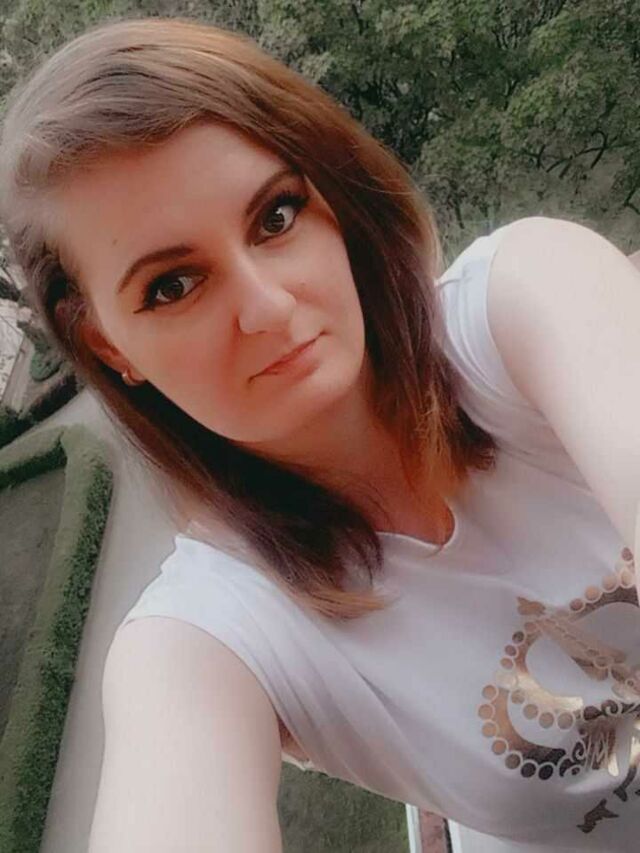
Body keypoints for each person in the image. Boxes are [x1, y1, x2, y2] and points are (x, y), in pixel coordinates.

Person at [0, 16, 638, 853]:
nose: (268, 307)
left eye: (276, 216)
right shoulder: (207, 635)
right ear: (110, 346)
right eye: (174, 285)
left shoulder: (529, 299)